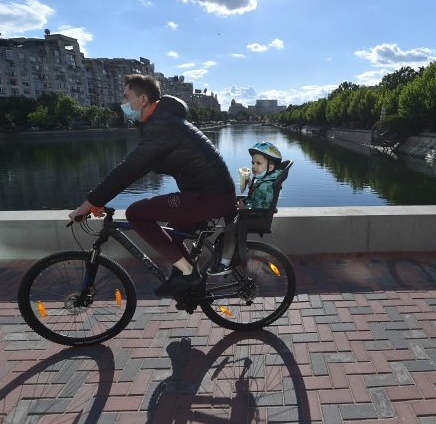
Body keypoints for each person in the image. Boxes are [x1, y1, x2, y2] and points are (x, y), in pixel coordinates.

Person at [69, 74, 236, 297]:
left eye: (126, 97)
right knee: (172, 234)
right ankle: (186, 281)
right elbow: (136, 168)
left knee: (136, 213)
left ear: (143, 100)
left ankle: (188, 274)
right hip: (208, 195)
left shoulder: (162, 126)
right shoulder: (163, 122)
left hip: (207, 198)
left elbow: (128, 169)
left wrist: (89, 203)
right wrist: (99, 201)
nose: (122, 104)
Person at [209, 142, 284, 274]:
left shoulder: (266, 185)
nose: (254, 166)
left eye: (258, 163)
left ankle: (224, 263)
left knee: (231, 229)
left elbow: (261, 205)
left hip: (255, 217)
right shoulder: (263, 181)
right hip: (252, 214)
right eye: (253, 163)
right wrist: (248, 182)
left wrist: (245, 207)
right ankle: (228, 250)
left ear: (271, 166)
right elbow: (256, 197)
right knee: (229, 220)